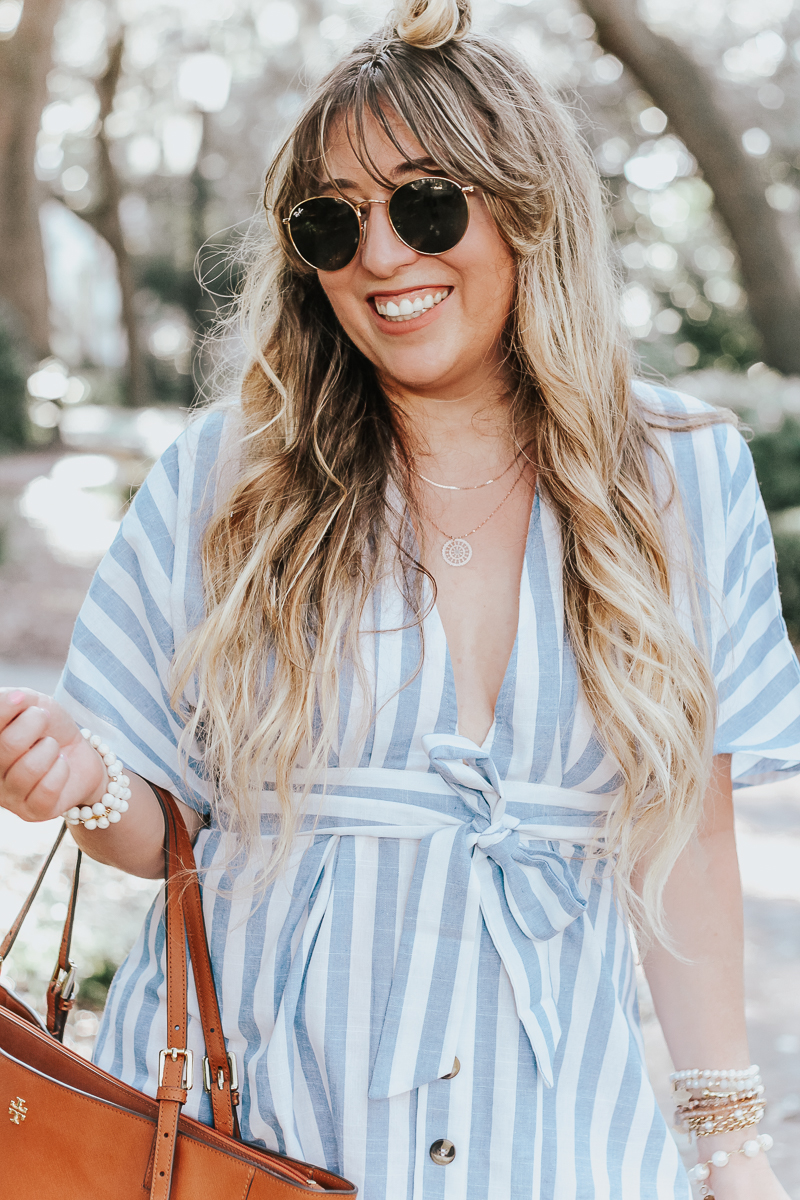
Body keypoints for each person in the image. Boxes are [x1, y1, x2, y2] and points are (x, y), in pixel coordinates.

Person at [1, 2, 798, 1196]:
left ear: (527, 211)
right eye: (332, 223)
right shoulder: (224, 479)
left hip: (548, 1133)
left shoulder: (680, 476)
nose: (379, 258)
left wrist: (729, 1147)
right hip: (253, 1127)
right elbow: (161, 833)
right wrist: (82, 775)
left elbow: (684, 830)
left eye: (427, 206)